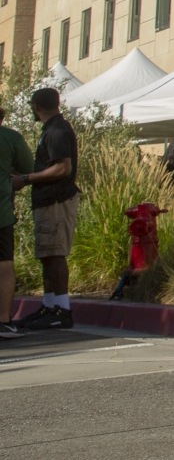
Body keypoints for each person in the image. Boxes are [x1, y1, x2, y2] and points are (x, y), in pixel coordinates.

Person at [17, 88, 78, 333]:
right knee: (46, 254)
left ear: (35, 106)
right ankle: (49, 305)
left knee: (54, 254)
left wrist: (26, 178)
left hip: (56, 199)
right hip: (46, 200)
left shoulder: (57, 131)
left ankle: (62, 310)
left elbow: (63, 168)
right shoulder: (52, 130)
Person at [0, 103, 36, 338]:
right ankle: (2, 321)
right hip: (1, 213)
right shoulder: (11, 138)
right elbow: (28, 169)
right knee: (4, 266)